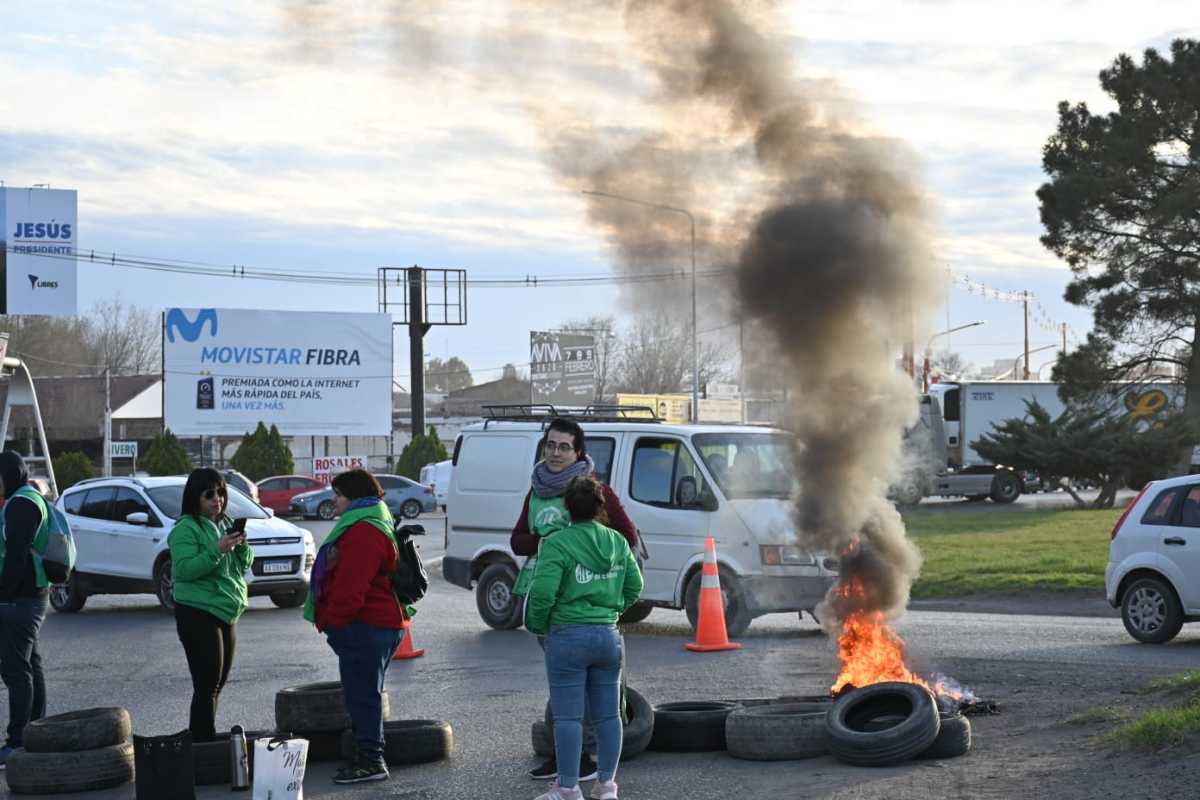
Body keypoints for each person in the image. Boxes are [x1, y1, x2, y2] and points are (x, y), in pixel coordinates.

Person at [511, 417, 638, 782]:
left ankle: (583, 762)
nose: (555, 452)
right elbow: (517, 540)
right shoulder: (535, 492)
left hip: (586, 606)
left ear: (578, 452)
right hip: (546, 598)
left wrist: (576, 545)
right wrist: (550, 542)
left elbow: (626, 536)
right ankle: (573, 760)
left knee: (583, 691)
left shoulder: (598, 491)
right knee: (566, 686)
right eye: (550, 445)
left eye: (564, 446)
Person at [524, 475, 644, 800]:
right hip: (608, 636)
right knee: (609, 715)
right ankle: (607, 786)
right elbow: (636, 586)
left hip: (567, 637)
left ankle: (567, 787)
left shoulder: (557, 543)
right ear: (600, 507)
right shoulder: (617, 542)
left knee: (568, 718)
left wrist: (538, 625)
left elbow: (542, 595)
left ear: (567, 507)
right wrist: (613, 608)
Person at [304, 468, 405, 785]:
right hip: (372, 624)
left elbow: (351, 589)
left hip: (366, 625)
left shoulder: (364, 531)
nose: (334, 501)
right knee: (364, 694)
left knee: (363, 697)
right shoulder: (370, 523)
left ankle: (371, 761)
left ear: (355, 498)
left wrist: (335, 624)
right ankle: (368, 757)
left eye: (338, 495)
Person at [169, 468, 254, 743]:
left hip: (226, 610)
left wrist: (240, 546)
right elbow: (184, 570)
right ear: (195, 497)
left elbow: (242, 565)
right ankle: (201, 745)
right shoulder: (185, 528)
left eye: (221, 493)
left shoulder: (223, 521)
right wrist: (217, 549)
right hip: (197, 611)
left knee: (217, 684)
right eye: (209, 494)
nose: (217, 499)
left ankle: (204, 740)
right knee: (206, 685)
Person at [0, 451, 51, 766]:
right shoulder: (25, 497)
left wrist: (3, 593)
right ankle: (37, 733)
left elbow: (16, 555)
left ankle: (18, 741)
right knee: (30, 664)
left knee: (16, 670)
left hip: (20, 597)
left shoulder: (21, 503)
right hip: (30, 594)